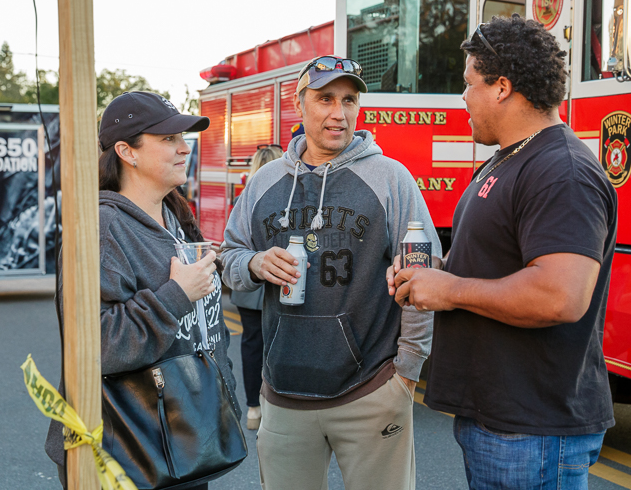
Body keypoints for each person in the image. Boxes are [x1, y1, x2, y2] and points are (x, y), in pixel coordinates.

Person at [390, 15, 618, 490]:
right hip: (503, 423)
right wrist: (431, 276)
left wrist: (451, 289)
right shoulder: (512, 158)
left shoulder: (563, 171)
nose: (464, 98)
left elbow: (560, 295)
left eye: (470, 84)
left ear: (502, 87)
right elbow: (496, 264)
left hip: (531, 430)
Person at [221, 56, 439, 490]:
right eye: (324, 99)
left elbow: (424, 273)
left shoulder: (390, 178)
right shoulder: (265, 182)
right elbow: (228, 257)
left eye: (349, 100)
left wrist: (408, 371)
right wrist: (255, 263)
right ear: (300, 105)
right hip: (283, 397)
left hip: (371, 392)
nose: (338, 113)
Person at [44, 91, 238, 490]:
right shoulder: (102, 227)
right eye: (168, 139)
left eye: (183, 138)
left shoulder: (176, 217)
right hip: (128, 453)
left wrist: (225, 398)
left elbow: (204, 331)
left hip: (185, 440)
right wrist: (176, 294)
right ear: (126, 151)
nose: (185, 148)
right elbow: (96, 345)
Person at [230, 144, 282, 430]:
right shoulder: (285, 195)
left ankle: (253, 409)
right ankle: (274, 404)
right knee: (278, 344)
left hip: (247, 285)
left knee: (252, 345)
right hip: (279, 282)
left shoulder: (245, 196)